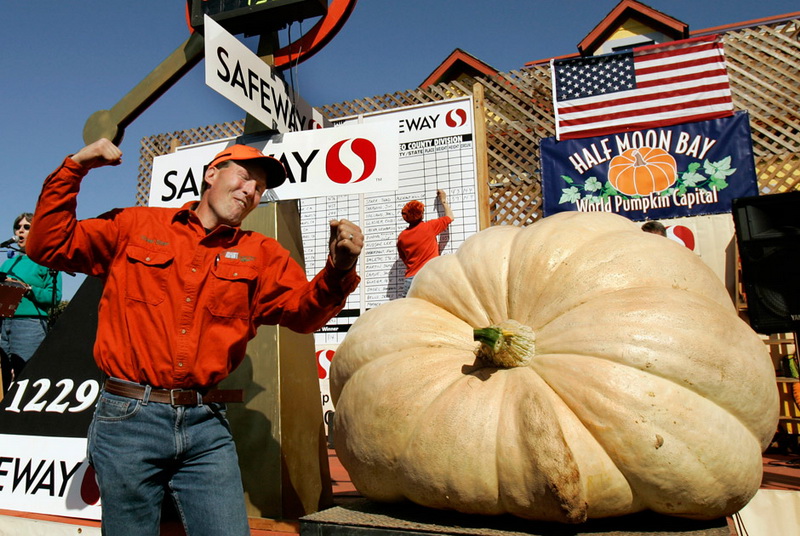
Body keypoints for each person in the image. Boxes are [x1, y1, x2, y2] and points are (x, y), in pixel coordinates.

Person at [26, 138, 363, 536]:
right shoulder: (136, 226)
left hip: (207, 424)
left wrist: (338, 271)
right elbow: (47, 244)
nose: (250, 191)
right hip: (128, 419)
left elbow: (303, 315)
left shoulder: (263, 254)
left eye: (259, 188)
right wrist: (75, 166)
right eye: (244, 177)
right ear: (211, 174)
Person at [0, 212, 62, 388]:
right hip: (5, 323)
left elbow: (54, 297)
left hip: (30, 324)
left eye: (26, 227)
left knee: (26, 377)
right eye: (18, 227)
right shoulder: (7, 264)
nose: (20, 231)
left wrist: (26, 288)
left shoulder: (46, 260)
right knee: (5, 377)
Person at [397, 189, 454, 297]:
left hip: (410, 280)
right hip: (429, 276)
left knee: (408, 311)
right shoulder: (429, 227)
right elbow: (450, 217)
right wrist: (443, 200)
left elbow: (404, 258)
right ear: (421, 214)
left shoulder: (402, 237)